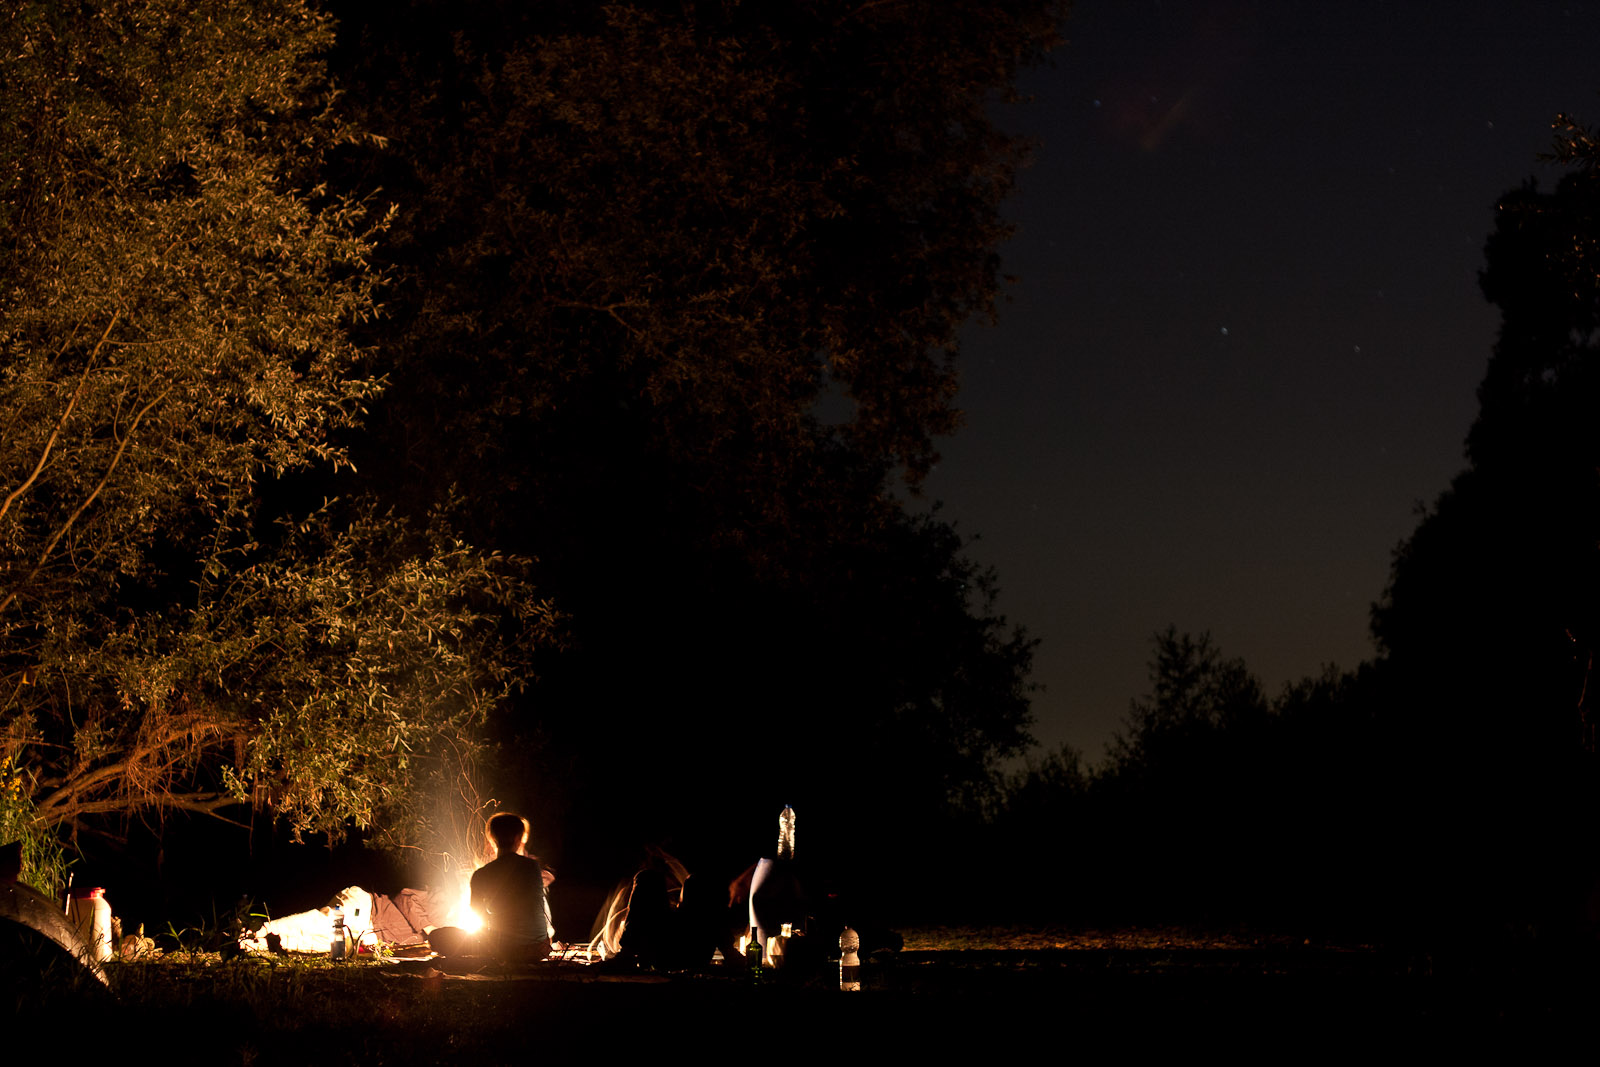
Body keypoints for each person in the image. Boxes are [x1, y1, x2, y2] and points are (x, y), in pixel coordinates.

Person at [470, 813, 552, 964]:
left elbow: (476, 913)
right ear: (518, 839)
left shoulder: (480, 875)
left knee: (440, 937)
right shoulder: (532, 867)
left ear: (491, 839)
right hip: (539, 948)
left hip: (503, 951)